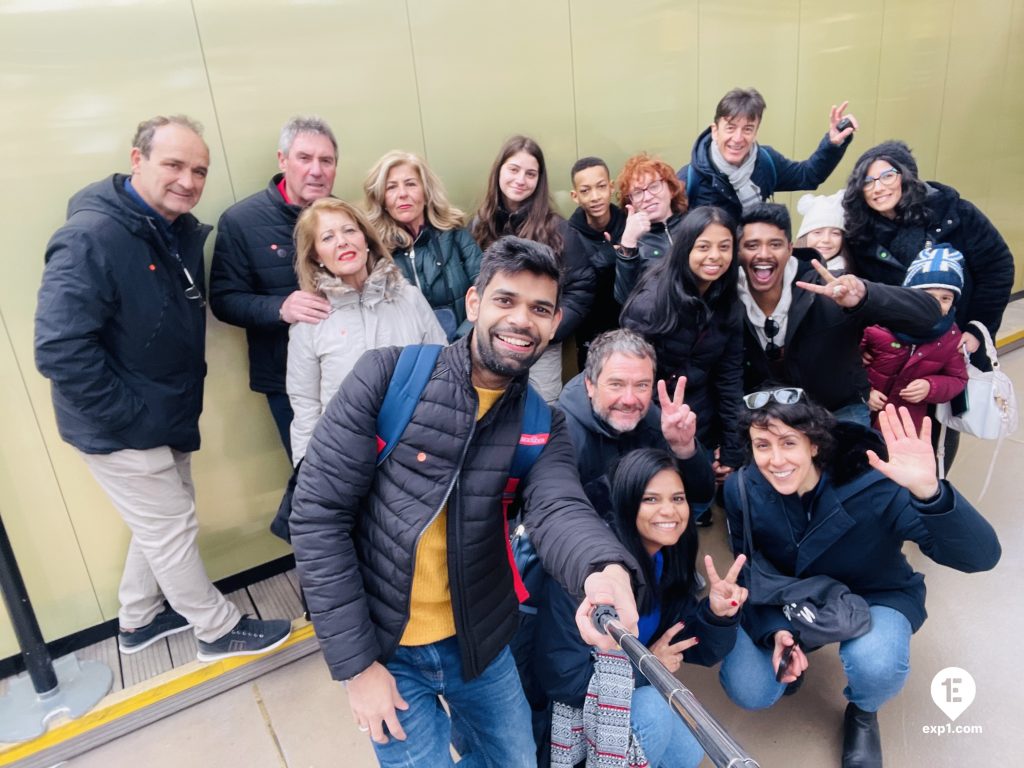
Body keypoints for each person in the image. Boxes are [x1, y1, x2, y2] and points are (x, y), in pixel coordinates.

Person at [289, 236, 643, 767]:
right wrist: (357, 668)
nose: (522, 320)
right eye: (506, 300)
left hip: (482, 641)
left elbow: (559, 508)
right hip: (387, 647)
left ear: (555, 323)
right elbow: (317, 518)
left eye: (539, 309)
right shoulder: (386, 376)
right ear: (474, 302)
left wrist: (605, 569)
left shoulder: (542, 424)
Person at [35, 115, 292, 662]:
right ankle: (216, 628)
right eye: (173, 165)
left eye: (198, 170)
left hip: (162, 411)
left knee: (164, 520)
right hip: (124, 424)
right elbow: (59, 348)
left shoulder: (169, 228)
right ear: (137, 161)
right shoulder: (92, 238)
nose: (188, 180)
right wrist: (130, 418)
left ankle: (139, 618)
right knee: (171, 524)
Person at [718, 393, 1000, 768]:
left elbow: (980, 557)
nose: (776, 459)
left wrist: (929, 494)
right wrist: (773, 632)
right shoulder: (742, 491)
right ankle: (793, 658)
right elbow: (752, 568)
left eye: (789, 442)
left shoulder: (876, 482)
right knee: (749, 687)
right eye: (762, 445)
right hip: (792, 598)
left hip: (874, 592)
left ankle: (864, 711)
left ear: (814, 444)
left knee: (877, 664)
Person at [528, 448, 746, 768]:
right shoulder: (591, 572)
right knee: (655, 711)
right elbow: (563, 679)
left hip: (626, 687)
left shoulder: (666, 555)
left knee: (688, 748)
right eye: (651, 499)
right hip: (568, 719)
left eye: (678, 498)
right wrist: (650, 668)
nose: (669, 511)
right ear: (627, 503)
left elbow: (693, 645)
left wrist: (718, 615)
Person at [736, 203, 941, 426]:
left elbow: (928, 315)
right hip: (766, 419)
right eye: (752, 245)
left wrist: (865, 297)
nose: (763, 254)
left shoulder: (834, 287)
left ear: (790, 248)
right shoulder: (726, 296)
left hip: (839, 412)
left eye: (775, 244)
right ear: (738, 251)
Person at [209, 116, 339, 458]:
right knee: (315, 476)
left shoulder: (343, 216)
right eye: (304, 158)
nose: (316, 170)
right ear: (283, 160)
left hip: (347, 370)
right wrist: (281, 308)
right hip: (287, 381)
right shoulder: (241, 221)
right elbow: (223, 300)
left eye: (326, 160)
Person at [286, 198, 446, 464]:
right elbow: (305, 408)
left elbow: (444, 371)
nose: (342, 242)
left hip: (419, 450)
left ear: (366, 239)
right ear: (315, 255)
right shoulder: (309, 322)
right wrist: (305, 471)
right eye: (327, 237)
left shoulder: (409, 298)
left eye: (349, 231)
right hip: (347, 461)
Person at [620, 206, 745, 524]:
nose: (714, 256)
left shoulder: (728, 304)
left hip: (698, 421)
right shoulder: (651, 302)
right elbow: (629, 377)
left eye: (724, 246)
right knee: (650, 509)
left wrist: (731, 449)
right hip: (647, 422)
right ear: (686, 246)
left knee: (698, 503)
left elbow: (729, 378)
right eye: (703, 246)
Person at [842, 139, 1014, 351]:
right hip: (893, 351)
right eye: (868, 181)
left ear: (907, 177)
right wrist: (865, 342)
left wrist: (978, 329)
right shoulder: (860, 234)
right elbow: (864, 297)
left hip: (958, 344)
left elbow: (997, 269)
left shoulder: (955, 213)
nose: (878, 188)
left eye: (888, 176)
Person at [471, 135, 595, 402]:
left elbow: (582, 286)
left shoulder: (557, 229)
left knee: (541, 411)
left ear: (539, 180)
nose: (520, 180)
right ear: (499, 171)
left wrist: (548, 330)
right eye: (513, 170)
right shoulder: (479, 226)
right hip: (491, 341)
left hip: (540, 345)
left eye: (530, 173)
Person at [557, 329, 714, 507]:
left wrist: (684, 449)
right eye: (616, 384)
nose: (629, 400)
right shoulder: (561, 435)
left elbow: (701, 497)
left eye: (642, 385)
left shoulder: (656, 420)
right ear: (590, 385)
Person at [677, 87, 858, 221]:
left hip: (758, 264)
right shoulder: (689, 179)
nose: (738, 138)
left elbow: (808, 176)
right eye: (730, 128)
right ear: (715, 131)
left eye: (748, 129)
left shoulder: (766, 161)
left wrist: (833, 143)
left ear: (756, 133)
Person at [363, 150, 482, 340]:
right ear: (382, 199)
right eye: (391, 187)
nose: (402, 194)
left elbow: (485, 290)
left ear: (426, 193)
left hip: (466, 347)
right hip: (413, 356)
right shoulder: (375, 252)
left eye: (410, 184)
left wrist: (464, 341)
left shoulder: (457, 236)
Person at [861, 245, 968, 433]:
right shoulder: (879, 323)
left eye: (945, 298)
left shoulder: (951, 337)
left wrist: (931, 387)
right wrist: (864, 390)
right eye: (927, 296)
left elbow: (957, 378)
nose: (935, 304)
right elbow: (844, 359)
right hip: (862, 411)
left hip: (905, 422)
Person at [563, 156, 628, 367]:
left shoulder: (629, 223)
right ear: (575, 196)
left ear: (611, 187)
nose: (595, 197)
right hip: (590, 332)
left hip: (631, 324)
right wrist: (611, 256)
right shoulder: (568, 235)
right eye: (585, 190)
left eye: (601, 187)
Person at [612, 152, 689, 302]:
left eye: (654, 186)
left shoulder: (694, 225)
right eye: (638, 193)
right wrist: (628, 242)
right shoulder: (632, 242)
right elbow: (625, 298)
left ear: (671, 189)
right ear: (631, 201)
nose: (647, 197)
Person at [795, 190, 848, 273]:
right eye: (817, 232)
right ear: (804, 236)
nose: (826, 240)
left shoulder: (848, 273)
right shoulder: (790, 267)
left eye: (835, 233)